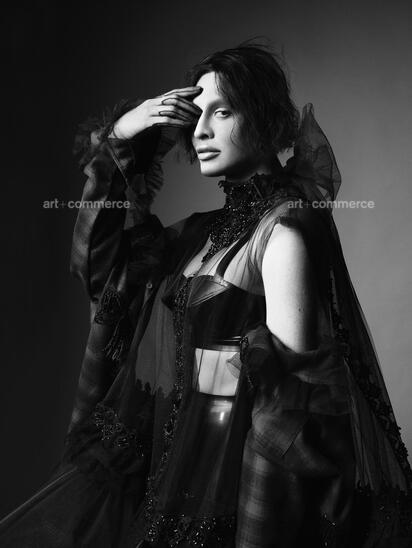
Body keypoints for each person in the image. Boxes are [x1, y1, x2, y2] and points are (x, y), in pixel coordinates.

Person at [1, 42, 412, 548]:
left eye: (222, 111)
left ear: (265, 120)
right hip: (164, 481)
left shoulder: (283, 236)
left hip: (227, 502)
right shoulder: (198, 233)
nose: (199, 131)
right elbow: (101, 269)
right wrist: (121, 136)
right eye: (196, 115)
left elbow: (288, 422)